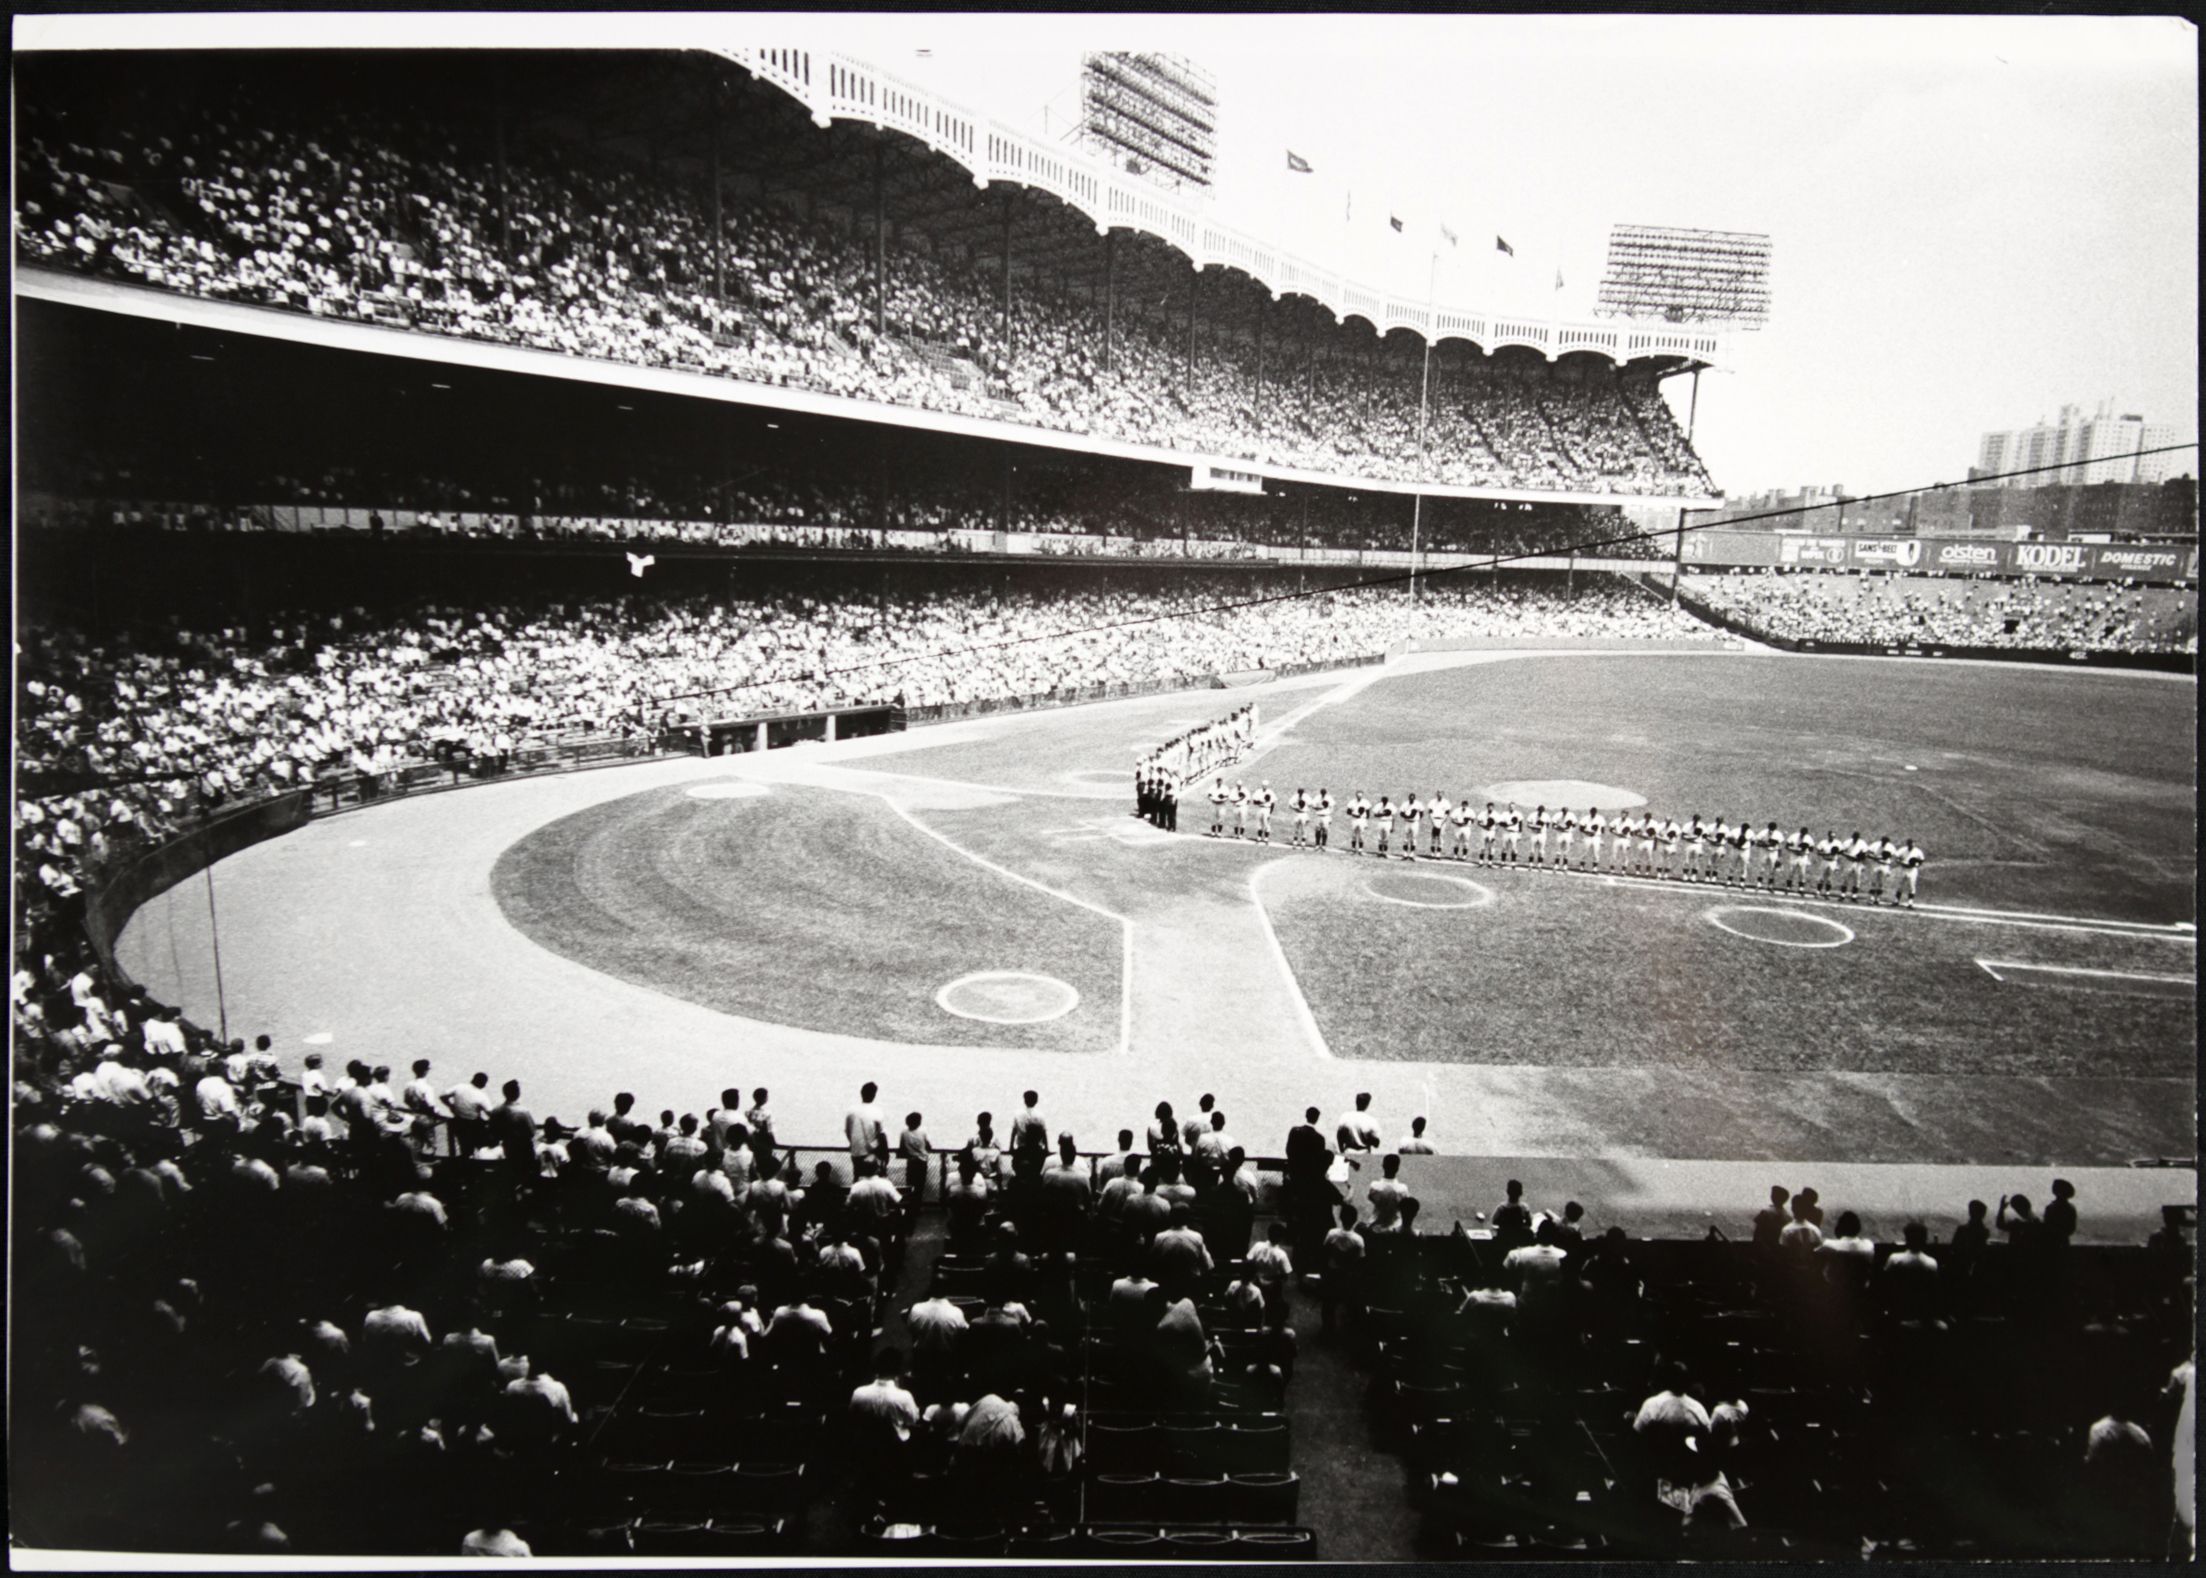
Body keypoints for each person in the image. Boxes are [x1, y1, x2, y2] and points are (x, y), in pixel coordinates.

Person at [846, 1081, 887, 1165]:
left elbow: (847, 1130)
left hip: (856, 1151)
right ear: (874, 1095)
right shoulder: (877, 1111)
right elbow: (880, 1133)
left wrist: (853, 1143)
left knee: (858, 1175)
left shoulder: (851, 1111)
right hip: (871, 1151)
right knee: (872, 1175)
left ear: (861, 1093)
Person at [899, 1113, 931, 1201]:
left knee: (910, 1184)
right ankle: (918, 1205)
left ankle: (910, 1205)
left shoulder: (904, 1132)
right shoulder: (923, 1132)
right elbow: (928, 1146)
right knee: (920, 1185)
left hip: (911, 1161)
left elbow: (902, 1147)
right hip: (922, 1161)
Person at [1897, 837, 1925, 908]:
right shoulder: (1903, 850)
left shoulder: (1918, 851)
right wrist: (1901, 862)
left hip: (1912, 870)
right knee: (1900, 885)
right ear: (1907, 844)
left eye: (1912, 843)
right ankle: (1896, 900)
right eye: (1909, 843)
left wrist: (1916, 864)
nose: (1911, 845)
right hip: (1903, 869)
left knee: (1911, 886)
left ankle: (1910, 902)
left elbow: (1921, 860)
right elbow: (1897, 857)